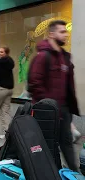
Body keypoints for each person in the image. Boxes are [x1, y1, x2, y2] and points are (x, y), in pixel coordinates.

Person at [28, 20, 79, 172]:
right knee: (48, 148)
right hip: (48, 113)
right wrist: (48, 106)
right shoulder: (43, 56)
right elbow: (33, 83)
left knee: (67, 145)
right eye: (62, 32)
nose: (66, 34)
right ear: (51, 34)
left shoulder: (65, 57)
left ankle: (75, 174)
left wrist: (69, 109)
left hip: (64, 112)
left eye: (66, 31)